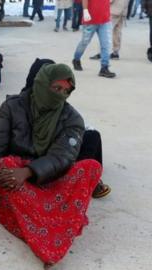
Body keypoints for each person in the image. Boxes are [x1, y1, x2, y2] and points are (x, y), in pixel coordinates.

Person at [0, 63, 102, 267]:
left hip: (49, 175)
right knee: (4, 163)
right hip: (15, 174)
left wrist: (29, 171)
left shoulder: (73, 118)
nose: (61, 95)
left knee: (90, 167)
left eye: (66, 91)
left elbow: (63, 157)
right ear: (42, 83)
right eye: (56, 88)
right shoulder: (12, 106)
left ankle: (48, 228)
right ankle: (52, 224)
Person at [21, 58, 111, 198]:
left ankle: (90, 177)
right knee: (89, 137)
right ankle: (88, 179)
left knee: (91, 135)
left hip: (52, 153)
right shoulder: (20, 105)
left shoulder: (53, 98)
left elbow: (70, 122)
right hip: (41, 158)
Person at [72, 0, 117, 78]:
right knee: (84, 42)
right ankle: (76, 59)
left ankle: (104, 67)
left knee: (106, 44)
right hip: (90, 19)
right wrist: (85, 10)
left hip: (104, 19)